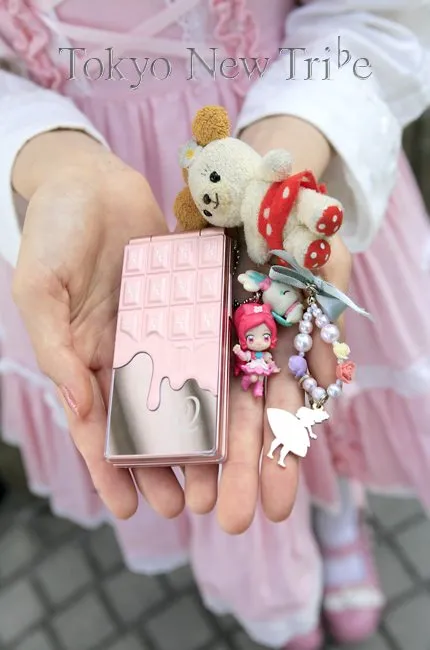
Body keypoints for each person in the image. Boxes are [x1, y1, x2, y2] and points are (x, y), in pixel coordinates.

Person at [1, 2, 430, 649]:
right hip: (79, 204)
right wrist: (46, 155)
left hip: (290, 143)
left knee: (314, 376)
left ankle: (341, 510)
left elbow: (377, 14)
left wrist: (294, 139)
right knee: (199, 424)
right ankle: (275, 581)